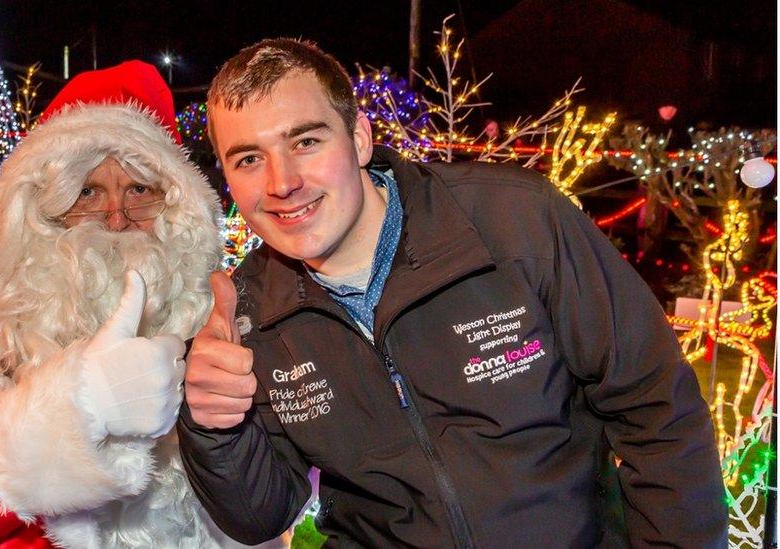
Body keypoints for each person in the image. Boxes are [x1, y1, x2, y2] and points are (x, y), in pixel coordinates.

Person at [178, 38, 728, 547]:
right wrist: (212, 425)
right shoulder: (247, 312)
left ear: (361, 138)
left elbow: (657, 412)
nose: (281, 182)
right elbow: (259, 515)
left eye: (306, 141)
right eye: (248, 159)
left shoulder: (512, 224)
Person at [0, 60, 237, 547]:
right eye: (87, 192)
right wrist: (63, 420)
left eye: (139, 189)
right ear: (44, 204)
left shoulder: (212, 305)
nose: (116, 218)